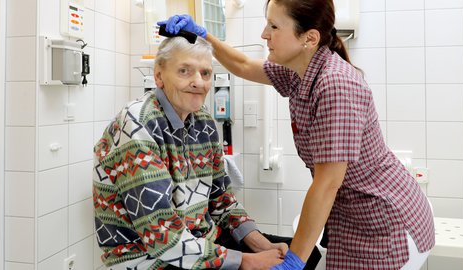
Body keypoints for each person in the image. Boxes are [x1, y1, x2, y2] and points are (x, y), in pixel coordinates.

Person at [158, 0, 436, 269]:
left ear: (309, 38)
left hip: (386, 224)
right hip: (354, 216)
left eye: (274, 27)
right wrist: (203, 35)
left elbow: (327, 184)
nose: (264, 34)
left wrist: (295, 261)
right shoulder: (300, 72)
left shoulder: (336, 85)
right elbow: (243, 65)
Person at [93, 34, 320, 270]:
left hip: (200, 242)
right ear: (159, 76)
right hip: (148, 258)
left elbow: (222, 201)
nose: (198, 82)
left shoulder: (203, 122)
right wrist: (246, 262)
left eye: (205, 73)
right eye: (184, 71)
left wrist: (262, 246)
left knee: (306, 255)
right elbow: (160, 233)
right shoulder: (138, 125)